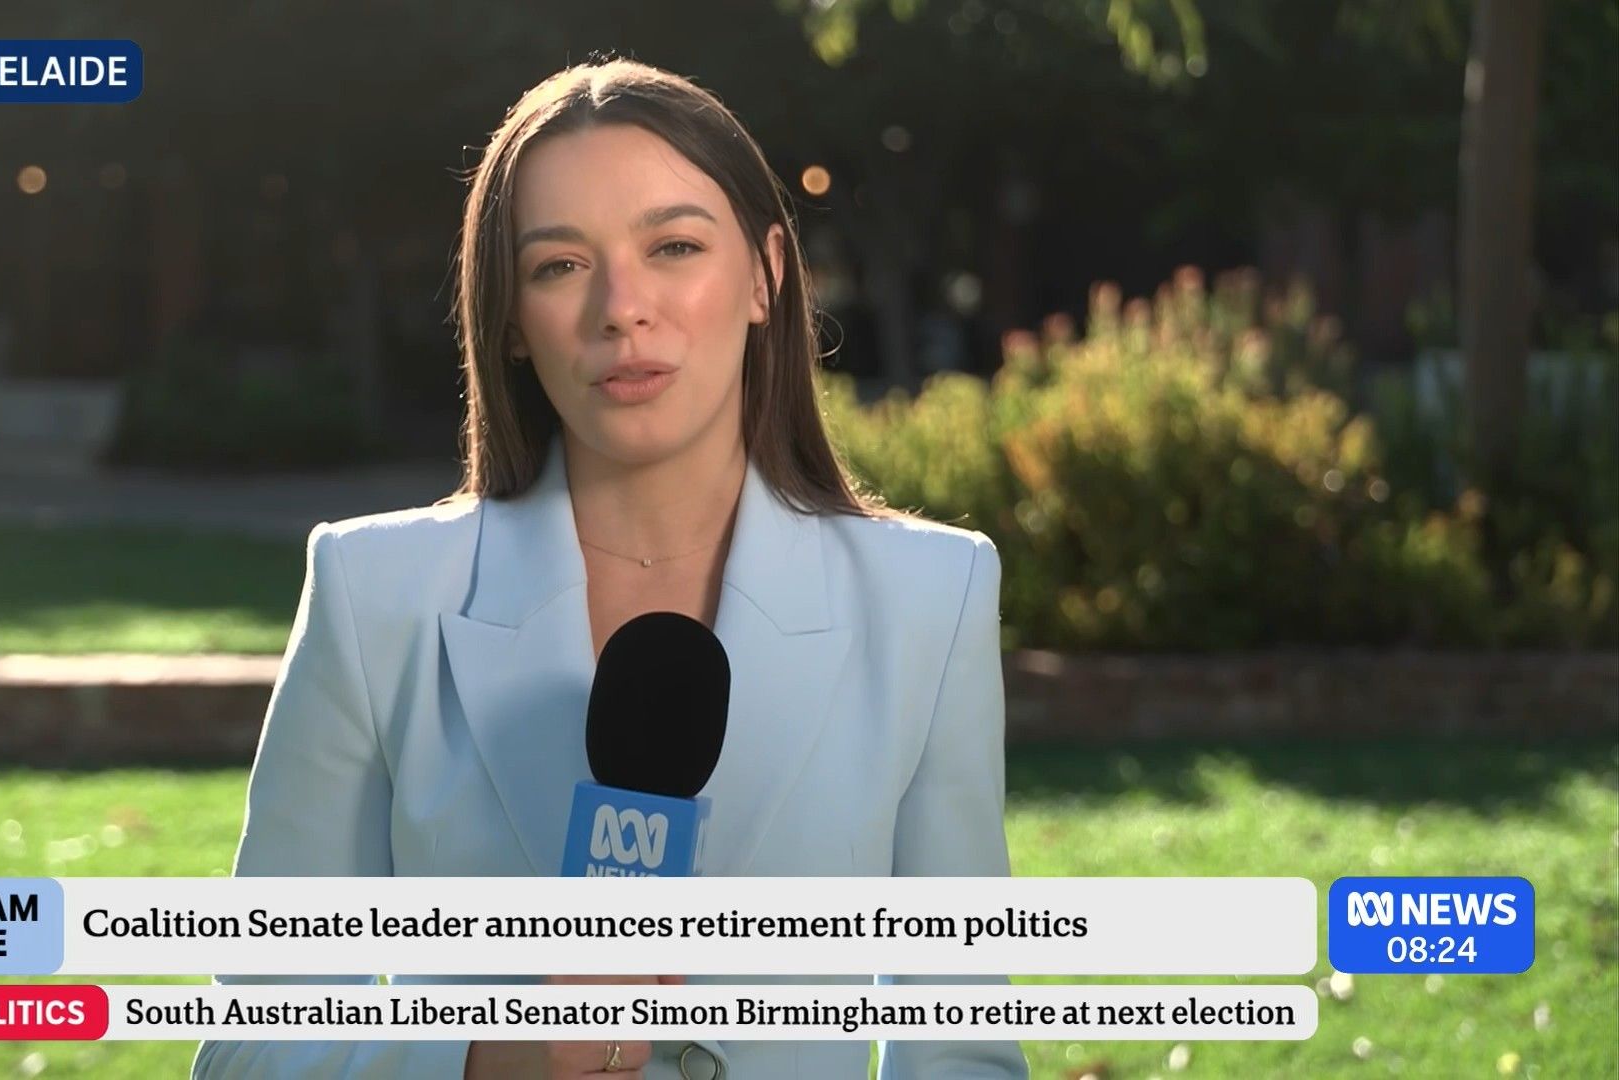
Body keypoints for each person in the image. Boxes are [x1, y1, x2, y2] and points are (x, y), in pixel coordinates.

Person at [193, 58, 1025, 1080]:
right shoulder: (376, 596)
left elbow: (961, 1048)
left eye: (674, 246)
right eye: (559, 265)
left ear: (765, 275)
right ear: (509, 318)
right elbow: (249, 1047)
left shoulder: (931, 596)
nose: (623, 308)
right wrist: (491, 1057)